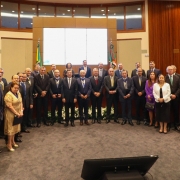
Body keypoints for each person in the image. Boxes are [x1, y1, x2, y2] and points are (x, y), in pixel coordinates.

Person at [4, 82, 23, 151]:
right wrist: (16, 113)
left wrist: (21, 111)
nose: (16, 89)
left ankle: (13, 142)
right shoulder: (8, 95)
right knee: (10, 129)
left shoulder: (18, 93)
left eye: (17, 88)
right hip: (10, 114)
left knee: (15, 128)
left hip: (18, 113)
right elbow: (10, 106)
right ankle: (9, 144)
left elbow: (21, 102)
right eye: (15, 88)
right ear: (11, 87)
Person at [165, 66, 180, 131]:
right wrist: (170, 95)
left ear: (173, 70)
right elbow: (164, 88)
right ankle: (168, 125)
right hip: (168, 98)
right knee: (168, 112)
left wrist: (175, 95)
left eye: (171, 69)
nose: (170, 70)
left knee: (176, 111)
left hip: (176, 98)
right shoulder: (164, 78)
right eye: (169, 70)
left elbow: (179, 88)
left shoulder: (177, 77)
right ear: (167, 71)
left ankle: (176, 125)